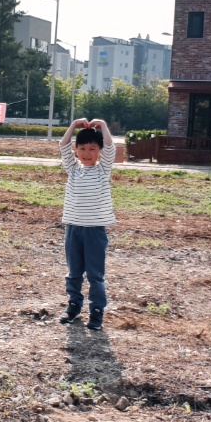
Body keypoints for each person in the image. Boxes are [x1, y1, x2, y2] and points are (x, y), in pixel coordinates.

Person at [58, 117, 115, 330]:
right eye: (82, 148)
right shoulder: (73, 169)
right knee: (74, 272)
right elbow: (63, 145)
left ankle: (97, 311)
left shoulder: (103, 170)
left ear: (99, 150)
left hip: (95, 231)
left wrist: (104, 126)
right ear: (76, 150)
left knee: (95, 274)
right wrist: (73, 126)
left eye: (92, 148)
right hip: (73, 228)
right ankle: (73, 305)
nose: (87, 153)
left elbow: (110, 147)